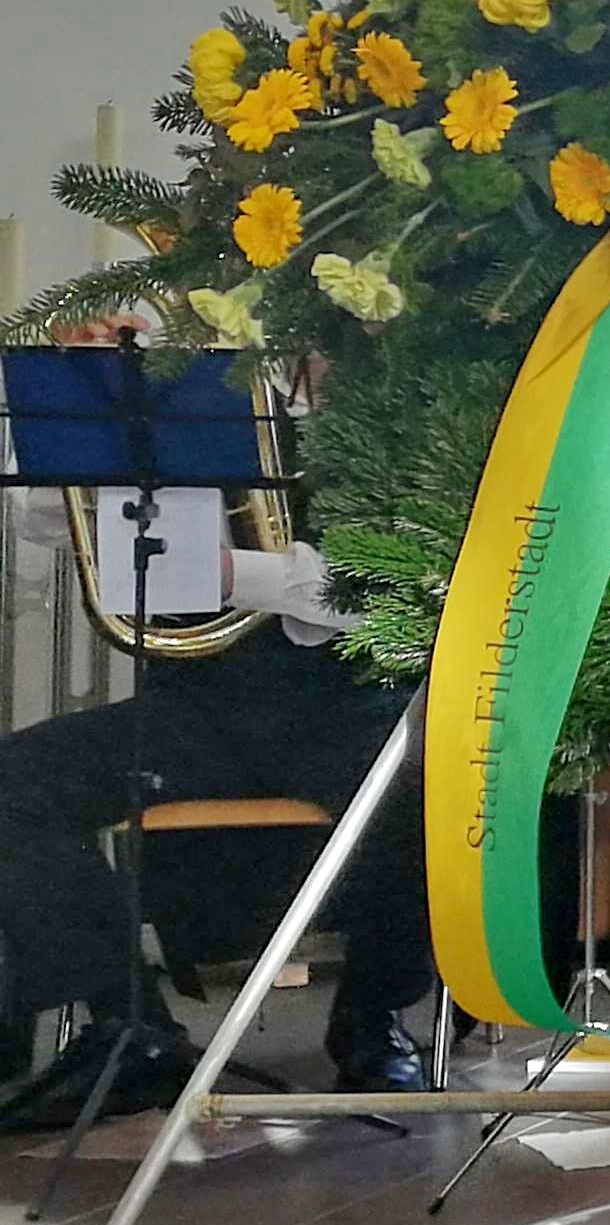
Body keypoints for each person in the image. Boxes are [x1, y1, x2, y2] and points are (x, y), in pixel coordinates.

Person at [0, 356, 431, 1128]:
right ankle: (130, 1026)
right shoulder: (193, 398)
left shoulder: (402, 415)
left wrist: (235, 571)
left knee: (430, 786)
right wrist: (96, 399)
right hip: (200, 707)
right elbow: (42, 523)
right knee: (15, 783)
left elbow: (401, 596)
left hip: (349, 707)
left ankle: (373, 1020)